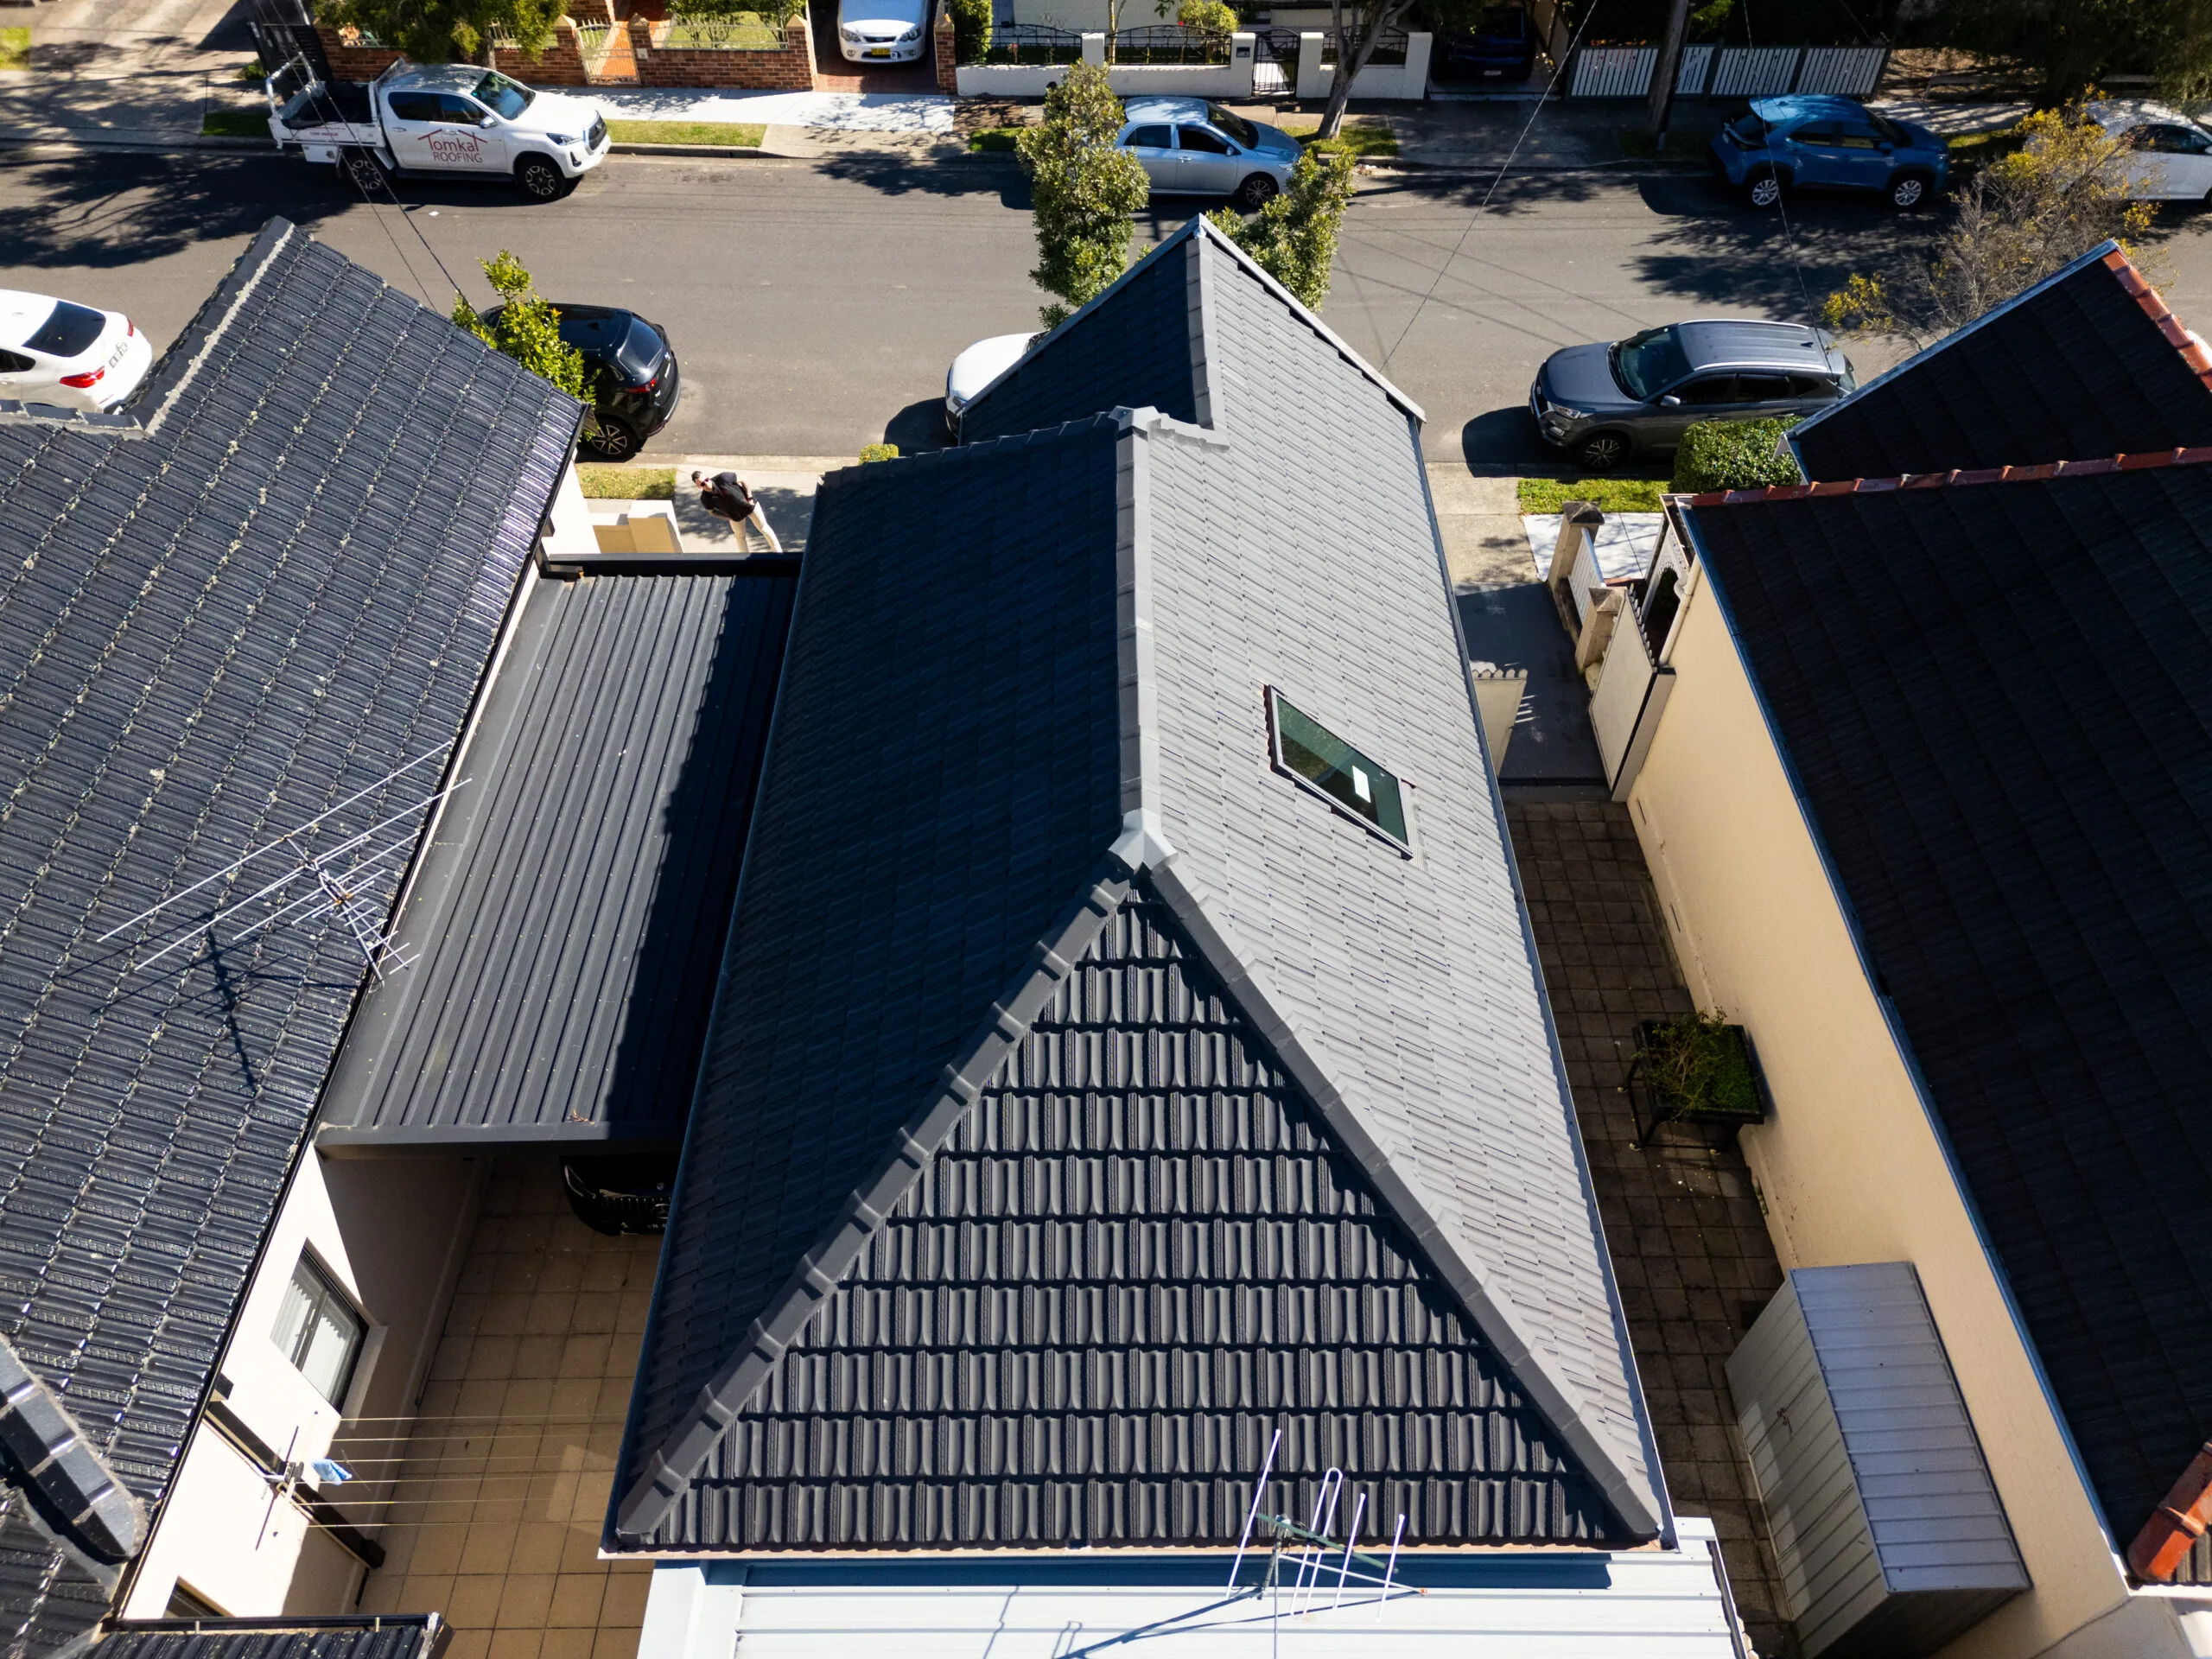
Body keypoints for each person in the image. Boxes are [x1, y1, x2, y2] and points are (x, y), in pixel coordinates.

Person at [691, 470, 781, 552]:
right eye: (702, 484)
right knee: (740, 538)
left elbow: (743, 480)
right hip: (735, 516)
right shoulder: (705, 499)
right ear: (698, 486)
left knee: (764, 529)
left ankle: (778, 555)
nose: (707, 484)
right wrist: (728, 517)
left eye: (706, 480)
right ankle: (745, 561)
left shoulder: (723, 478)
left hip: (749, 506)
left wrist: (750, 498)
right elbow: (712, 512)